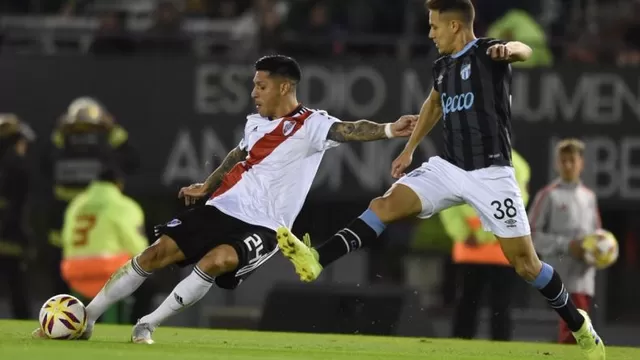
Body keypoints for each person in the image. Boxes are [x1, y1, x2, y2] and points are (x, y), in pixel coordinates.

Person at [275, 1, 605, 359]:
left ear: (454, 26)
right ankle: (317, 258)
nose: (430, 34)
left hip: (492, 174)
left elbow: (524, 51)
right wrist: (409, 149)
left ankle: (580, 325)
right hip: (449, 168)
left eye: (434, 26)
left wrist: (510, 49)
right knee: (383, 206)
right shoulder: (442, 67)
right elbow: (433, 105)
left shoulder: (487, 52)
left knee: (526, 265)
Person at [33, 55, 416, 342]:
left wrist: (386, 129)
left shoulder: (312, 124)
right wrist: (206, 184)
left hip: (266, 225)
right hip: (223, 206)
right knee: (154, 254)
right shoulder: (254, 123)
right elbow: (239, 154)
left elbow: (350, 130)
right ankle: (89, 318)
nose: (253, 93)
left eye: (260, 86)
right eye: (254, 85)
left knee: (217, 261)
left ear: (284, 87)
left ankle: (148, 322)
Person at [44, 97, 139, 295]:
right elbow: (131, 161)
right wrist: (113, 132)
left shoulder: (64, 143)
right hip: (85, 211)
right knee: (59, 263)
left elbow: (132, 162)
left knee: (60, 263)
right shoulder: (102, 142)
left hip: (71, 210)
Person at [444, 149, 530, 341]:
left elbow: (518, 202)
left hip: (496, 251)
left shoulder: (516, 164)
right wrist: (465, 232)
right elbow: (446, 201)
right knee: (470, 304)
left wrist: (468, 233)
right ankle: (460, 349)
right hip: (488, 249)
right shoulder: (458, 160)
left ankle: (495, 350)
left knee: (498, 306)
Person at [529, 139, 601, 344]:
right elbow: (531, 236)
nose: (568, 165)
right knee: (574, 329)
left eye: (572, 160)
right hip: (558, 275)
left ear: (581, 163)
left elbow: (599, 237)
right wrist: (567, 246)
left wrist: (599, 253)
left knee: (577, 329)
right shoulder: (548, 195)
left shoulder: (589, 197)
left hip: (584, 274)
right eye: (563, 160)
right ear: (556, 164)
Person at [58, 168, 151, 324]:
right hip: (107, 270)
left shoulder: (76, 204)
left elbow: (66, 238)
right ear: (119, 185)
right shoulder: (124, 205)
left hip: (74, 270)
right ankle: (133, 325)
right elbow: (137, 246)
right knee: (147, 281)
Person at [0, 114, 35, 320]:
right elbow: (18, 209)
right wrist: (25, 237)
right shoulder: (18, 167)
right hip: (10, 239)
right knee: (17, 287)